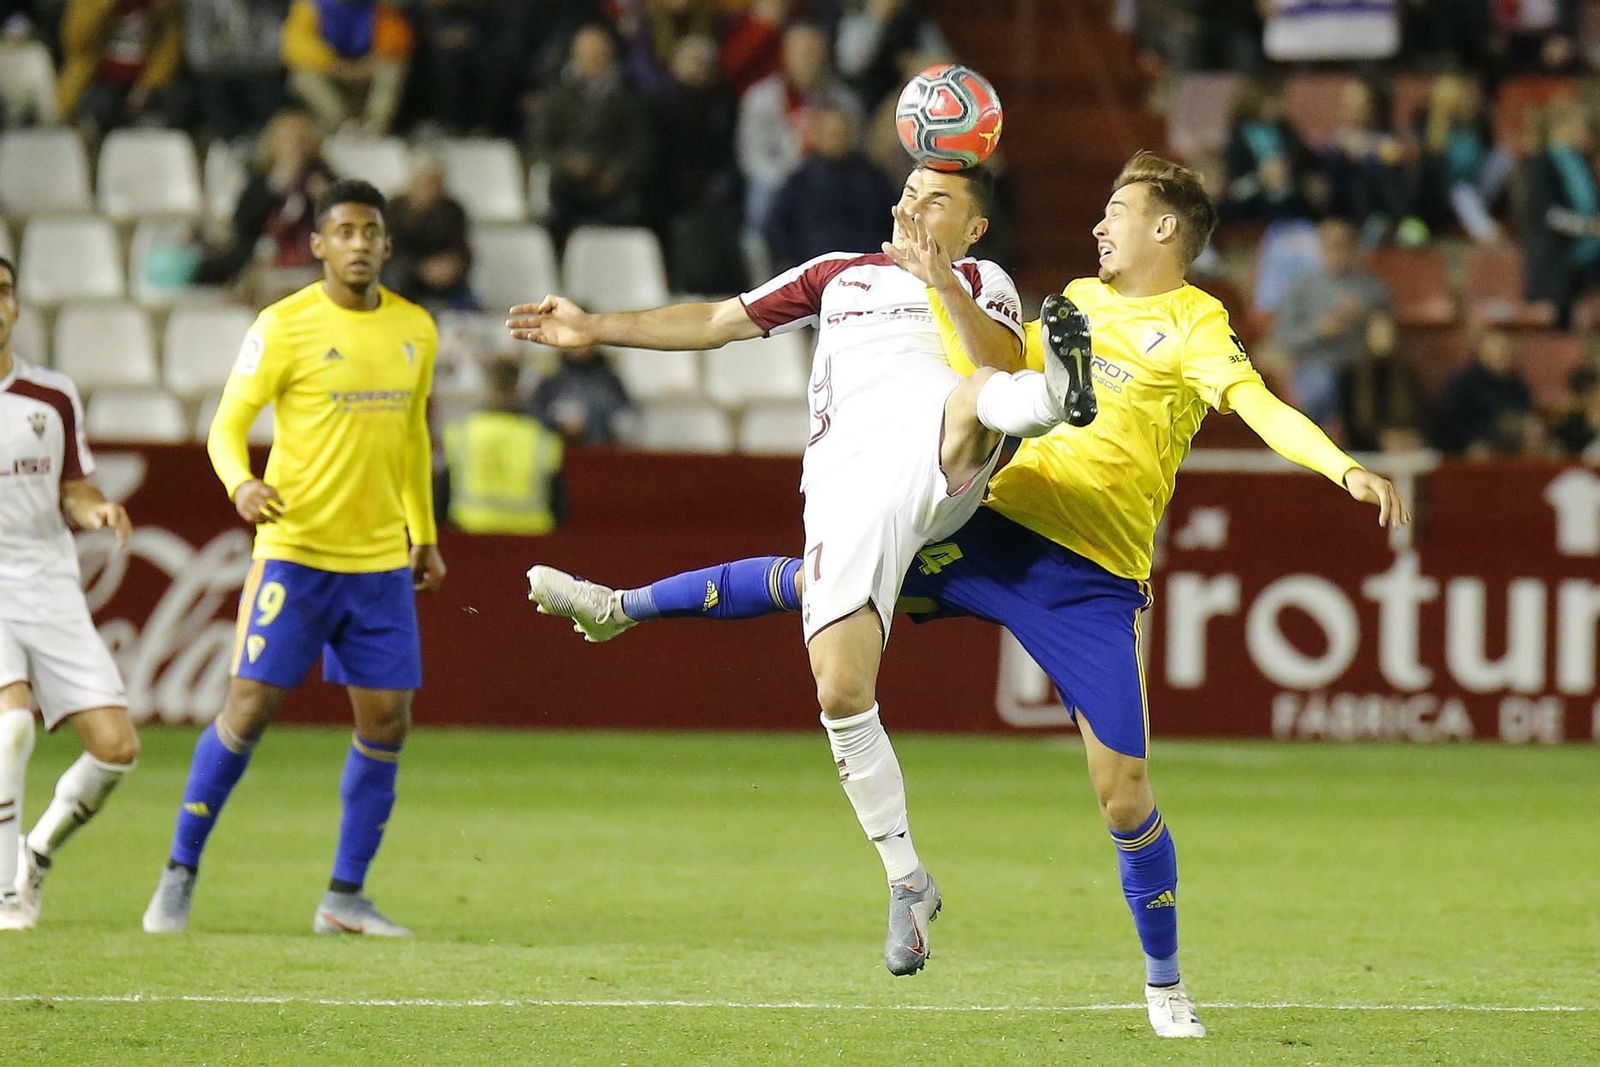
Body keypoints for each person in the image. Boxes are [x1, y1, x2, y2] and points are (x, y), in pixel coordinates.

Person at [518, 152, 1410, 1040]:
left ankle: (1165, 983)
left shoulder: (1194, 324)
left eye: (1117, 210)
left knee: (1124, 793)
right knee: (839, 582)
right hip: (990, 522)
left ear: (1166, 228)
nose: (1099, 225)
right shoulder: (1074, 302)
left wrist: (1343, 467)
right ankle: (624, 606)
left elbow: (1255, 405)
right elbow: (962, 367)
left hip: (1090, 574)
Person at [511, 161, 1097, 982]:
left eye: (938, 201)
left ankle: (1062, 398)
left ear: (974, 227)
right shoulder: (835, 277)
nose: (914, 209)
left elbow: (995, 358)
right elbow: (719, 320)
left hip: (943, 454)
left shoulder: (979, 277)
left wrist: (943, 285)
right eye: (908, 195)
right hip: (846, 483)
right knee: (840, 690)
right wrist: (594, 327)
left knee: (979, 398)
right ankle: (909, 881)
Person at [143, 180, 446, 937]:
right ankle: (178, 871)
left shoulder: (417, 328)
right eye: (342, 231)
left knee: (389, 720)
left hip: (378, 561)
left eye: (370, 231)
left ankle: (343, 897)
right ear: (317, 245)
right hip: (295, 552)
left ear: (385, 244)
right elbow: (226, 425)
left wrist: (425, 532)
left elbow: (411, 436)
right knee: (249, 708)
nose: (357, 243)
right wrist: (240, 482)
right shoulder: (282, 327)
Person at [0, 256, 141, 931]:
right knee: (11, 725)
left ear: (17, 306)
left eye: (2, 292)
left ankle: (34, 852)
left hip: (48, 579)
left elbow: (74, 488)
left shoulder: (51, 395)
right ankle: (4, 893)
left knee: (116, 747)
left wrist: (97, 511)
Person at [527, 22, 651, 249]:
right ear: (575, 57)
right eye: (588, 54)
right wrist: (568, 163)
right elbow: (540, 144)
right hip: (567, 187)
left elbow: (640, 146)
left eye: (600, 53)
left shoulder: (630, 98)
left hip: (615, 188)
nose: (594, 59)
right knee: (555, 220)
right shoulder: (555, 98)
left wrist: (617, 172)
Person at [736, 20, 862, 233]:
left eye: (815, 52)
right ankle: (761, 250)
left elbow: (857, 149)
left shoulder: (844, 100)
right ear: (785, 55)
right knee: (761, 192)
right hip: (781, 179)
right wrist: (793, 181)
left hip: (831, 178)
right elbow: (753, 160)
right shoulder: (761, 98)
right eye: (803, 52)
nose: (810, 60)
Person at [196, 109, 335, 292]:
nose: (293, 148)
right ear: (273, 144)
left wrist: (322, 198)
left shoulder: (323, 178)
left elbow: (341, 219)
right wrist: (276, 187)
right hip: (263, 261)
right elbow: (243, 224)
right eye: (287, 141)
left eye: (299, 141)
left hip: (311, 261)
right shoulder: (260, 180)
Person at [1275, 218, 1391, 428]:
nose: (1338, 252)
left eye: (1344, 245)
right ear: (1319, 247)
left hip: (1359, 366)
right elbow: (1284, 337)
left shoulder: (1370, 286)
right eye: (1331, 246)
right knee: (1320, 386)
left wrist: (1364, 313)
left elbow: (1385, 326)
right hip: (1314, 364)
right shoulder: (1302, 287)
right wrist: (1320, 331)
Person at [763, 105, 898, 270]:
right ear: (818, 136)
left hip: (871, 268)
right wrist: (801, 263)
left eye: (843, 133)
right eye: (832, 134)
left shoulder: (873, 177)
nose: (838, 138)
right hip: (817, 270)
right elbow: (775, 229)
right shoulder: (800, 181)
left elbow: (894, 218)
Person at [442, 358, 565, 534]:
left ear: (487, 387)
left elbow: (441, 496)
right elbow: (559, 504)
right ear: (518, 387)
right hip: (530, 538)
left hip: (471, 536)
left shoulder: (462, 432)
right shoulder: (541, 437)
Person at [1520, 99, 1600, 327]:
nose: (1585, 130)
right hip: (1557, 260)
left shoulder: (1582, 161)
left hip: (1589, 256)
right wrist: (1590, 227)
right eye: (1581, 124)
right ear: (1562, 126)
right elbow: (1549, 215)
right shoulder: (1540, 164)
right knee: (1560, 327)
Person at [280, 0, 413, 135]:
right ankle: (340, 126)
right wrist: (335, 65)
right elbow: (294, 48)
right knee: (302, 76)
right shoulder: (310, 5)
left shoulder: (380, 6)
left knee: (392, 69)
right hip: (332, 77)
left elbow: (396, 43)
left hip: (367, 76)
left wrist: (369, 64)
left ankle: (375, 128)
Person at [56, 0, 183, 139]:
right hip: (97, 82)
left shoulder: (162, 7)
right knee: (95, 110)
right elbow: (75, 41)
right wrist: (104, 7)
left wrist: (147, 86)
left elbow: (168, 51)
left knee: (165, 110)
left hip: (144, 86)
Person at [386, 155, 477, 313]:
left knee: (469, 304)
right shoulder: (393, 209)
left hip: (446, 282)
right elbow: (388, 253)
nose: (429, 188)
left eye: (435, 182)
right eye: (423, 182)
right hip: (406, 280)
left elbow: (462, 250)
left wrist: (454, 266)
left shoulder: (453, 210)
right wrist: (421, 269)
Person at [1437, 329, 1535, 456]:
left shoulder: (1517, 384)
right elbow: (1453, 425)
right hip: (1477, 446)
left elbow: (1527, 414)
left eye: (1505, 352)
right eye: (1496, 352)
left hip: (1516, 443)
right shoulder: (1462, 384)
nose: (1501, 356)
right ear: (1481, 354)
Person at [527, 345, 632, 446]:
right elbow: (534, 414)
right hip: (556, 452)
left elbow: (624, 415)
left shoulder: (608, 379)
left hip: (599, 451)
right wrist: (556, 423)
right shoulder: (550, 377)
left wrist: (590, 422)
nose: (581, 347)